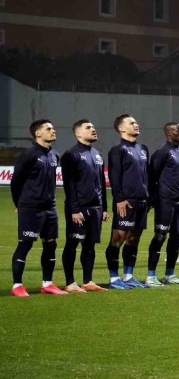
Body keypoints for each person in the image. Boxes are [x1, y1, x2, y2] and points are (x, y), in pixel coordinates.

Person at [10, 119, 67, 296]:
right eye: (49, 128)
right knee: (25, 244)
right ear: (38, 133)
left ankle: (47, 283)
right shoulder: (29, 154)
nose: (53, 131)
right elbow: (16, 182)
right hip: (30, 207)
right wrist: (18, 204)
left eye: (53, 127)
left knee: (50, 244)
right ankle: (17, 285)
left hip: (50, 207)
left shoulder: (54, 154)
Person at [60, 119, 109, 293]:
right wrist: (74, 209)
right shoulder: (71, 155)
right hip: (79, 209)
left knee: (90, 246)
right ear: (78, 133)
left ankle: (88, 281)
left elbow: (101, 183)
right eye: (88, 128)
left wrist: (104, 208)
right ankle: (70, 282)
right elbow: (69, 185)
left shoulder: (97, 154)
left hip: (96, 208)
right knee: (73, 244)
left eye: (94, 127)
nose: (93, 129)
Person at [106, 114, 150, 289]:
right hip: (126, 201)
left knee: (134, 239)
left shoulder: (143, 148)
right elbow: (114, 176)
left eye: (136, 122)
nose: (136, 124)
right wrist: (120, 199)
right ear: (121, 128)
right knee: (118, 238)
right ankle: (114, 278)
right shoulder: (118, 150)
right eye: (132, 123)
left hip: (141, 201)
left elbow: (147, 175)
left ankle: (128, 276)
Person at [146, 122, 179, 286]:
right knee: (160, 236)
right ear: (169, 133)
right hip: (165, 202)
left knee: (176, 237)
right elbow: (152, 176)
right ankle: (151, 276)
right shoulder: (162, 151)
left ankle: (169, 275)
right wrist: (156, 199)